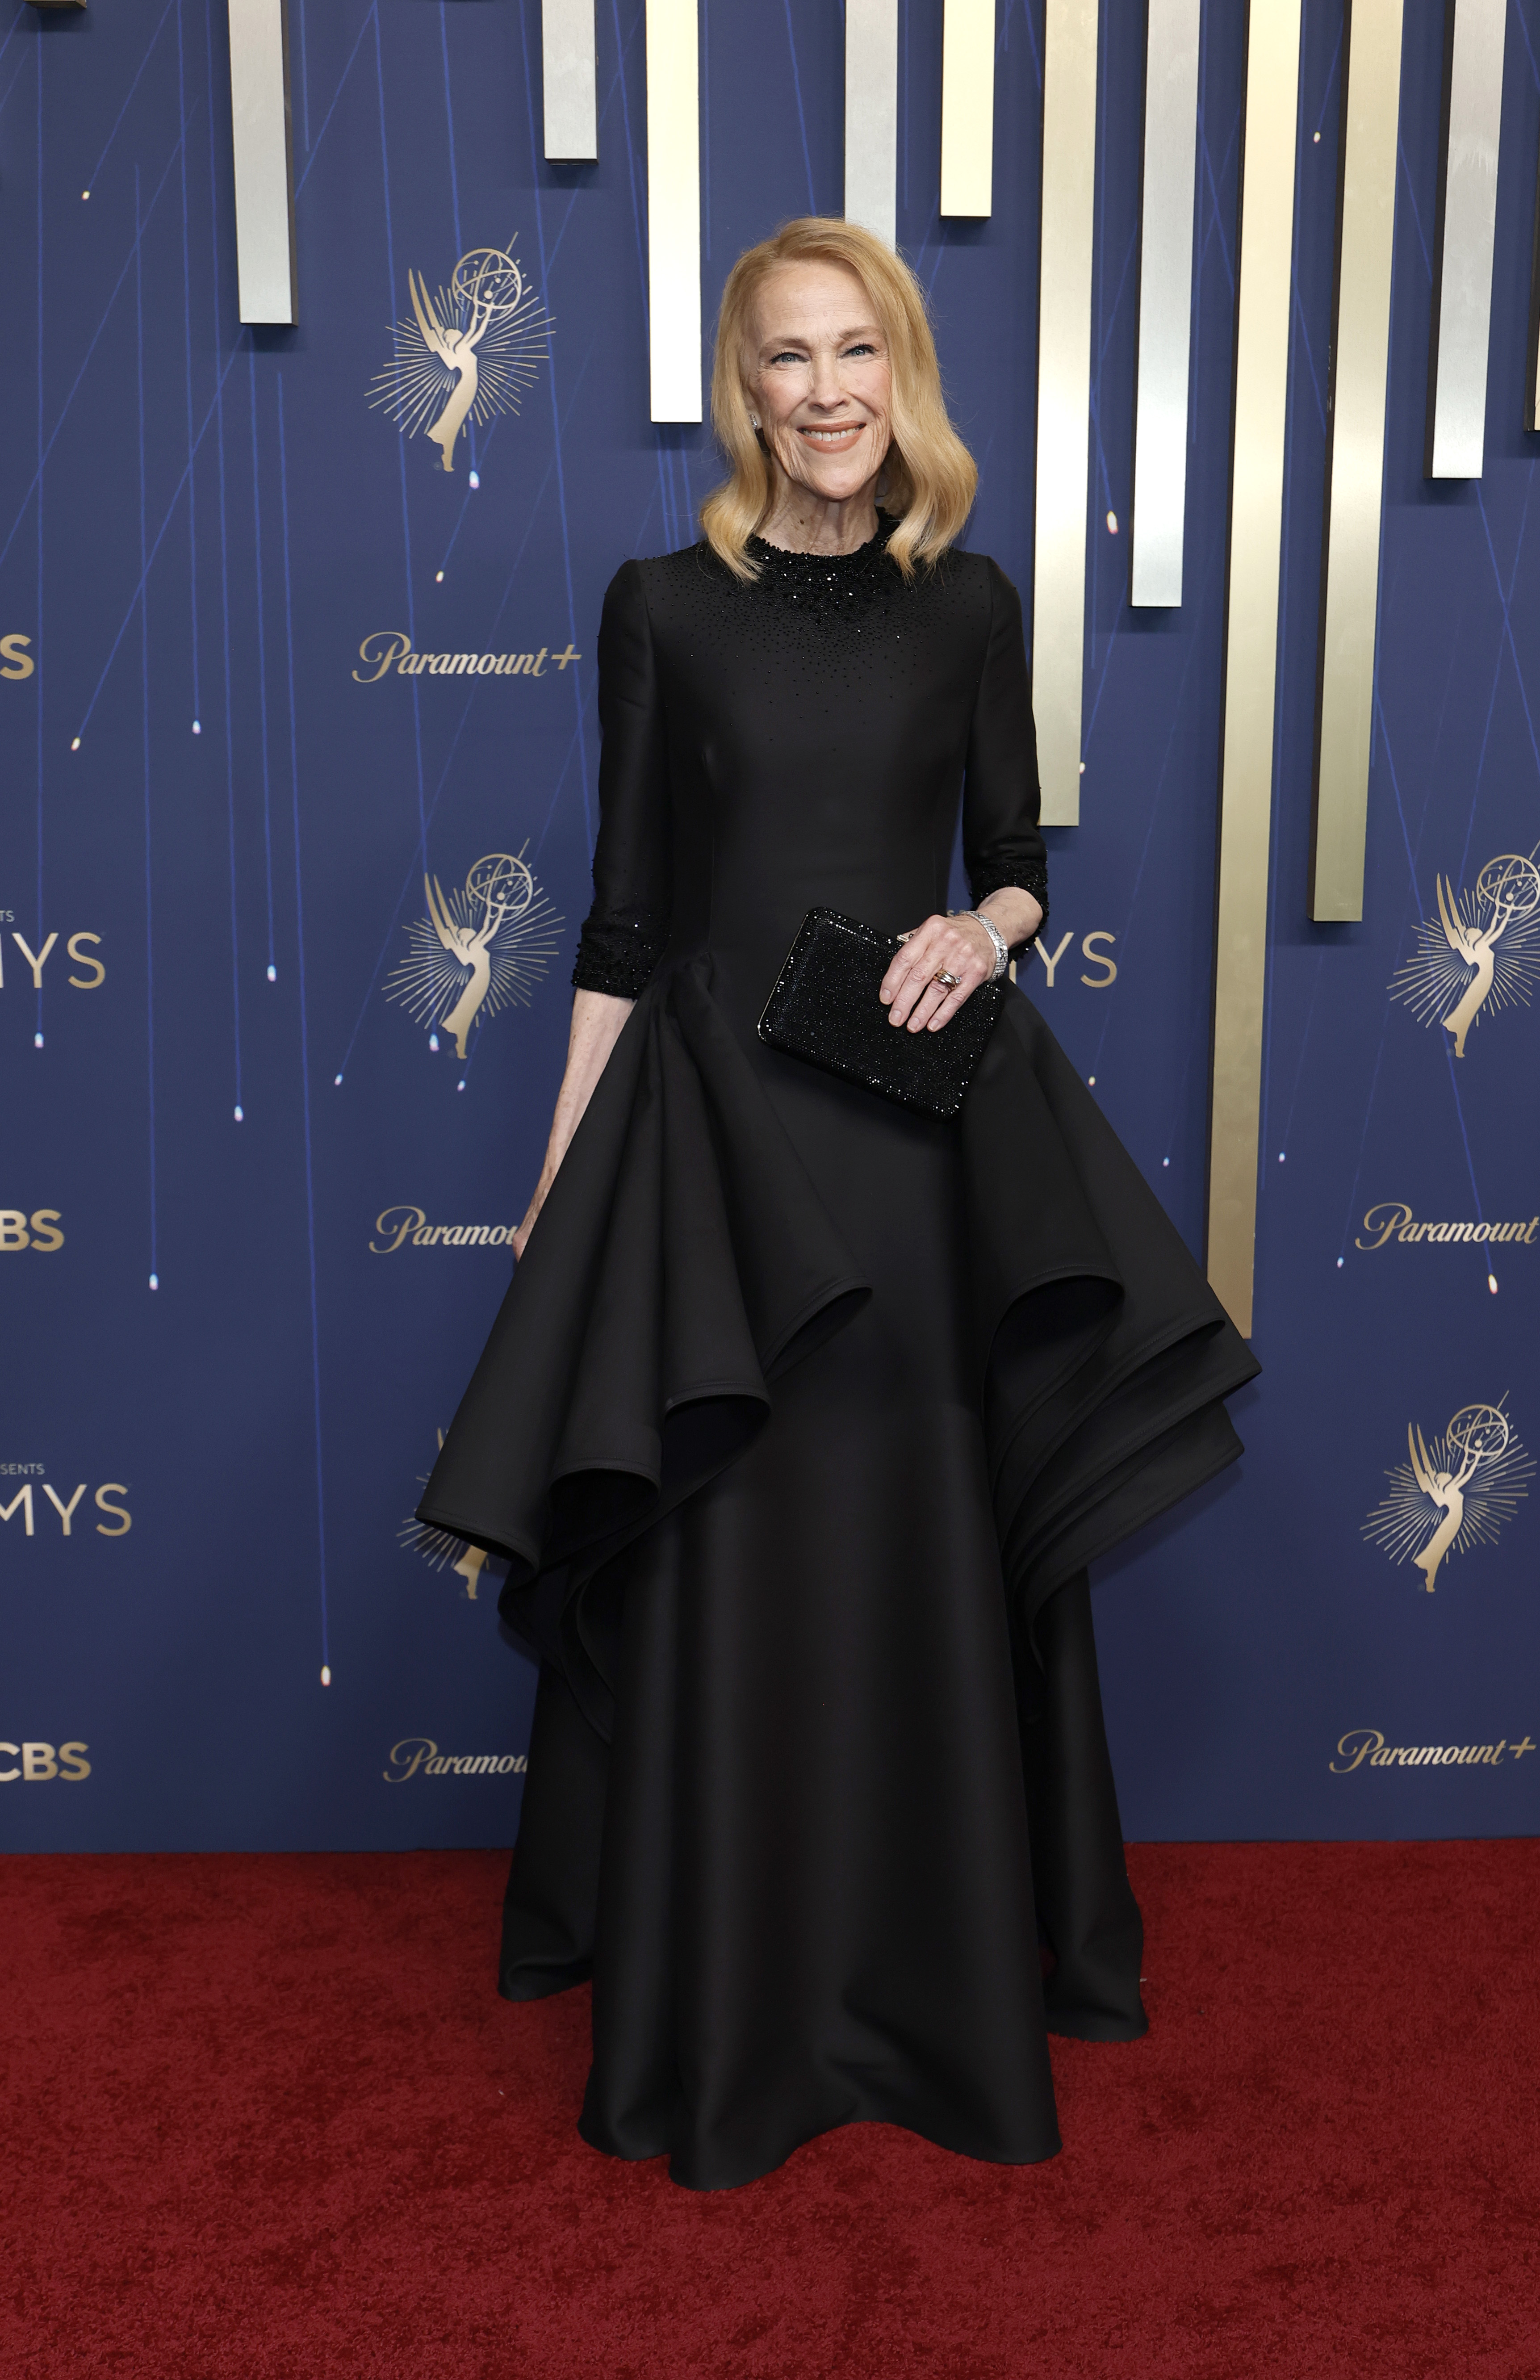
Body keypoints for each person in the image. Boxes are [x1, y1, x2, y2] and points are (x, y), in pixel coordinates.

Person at [420, 217, 1258, 2192]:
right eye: (785, 358)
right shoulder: (658, 607)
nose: (823, 393)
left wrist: (982, 925)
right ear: (745, 390)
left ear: (903, 375)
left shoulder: (969, 603)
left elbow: (1025, 850)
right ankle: (735, 1984)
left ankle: (924, 1974)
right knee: (731, 1535)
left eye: (854, 351)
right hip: (715, 1144)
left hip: (909, 1144)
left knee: (908, 1535)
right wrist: (561, 1180)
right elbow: (623, 924)